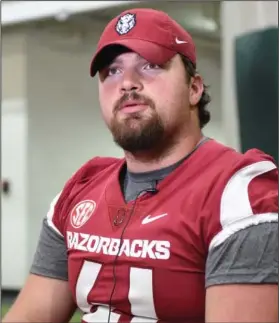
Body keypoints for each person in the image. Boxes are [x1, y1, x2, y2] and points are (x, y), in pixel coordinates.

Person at [4, 7, 278, 323]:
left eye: (150, 65)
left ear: (194, 88)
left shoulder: (239, 194)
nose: (128, 83)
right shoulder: (80, 189)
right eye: (112, 71)